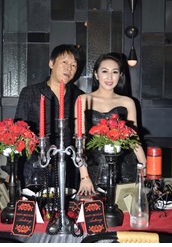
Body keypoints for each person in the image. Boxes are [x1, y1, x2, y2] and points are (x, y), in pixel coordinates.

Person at [15, 44, 85, 190]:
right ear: (51, 63)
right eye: (64, 62)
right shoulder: (30, 93)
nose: (69, 68)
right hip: (34, 166)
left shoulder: (78, 96)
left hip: (68, 166)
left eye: (73, 65)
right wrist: (14, 170)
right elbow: (18, 132)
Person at [77, 52, 147, 195]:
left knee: (127, 213)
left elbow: (134, 140)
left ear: (120, 75)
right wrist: (84, 176)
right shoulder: (83, 100)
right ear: (96, 74)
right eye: (104, 71)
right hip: (94, 169)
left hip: (125, 168)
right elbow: (79, 143)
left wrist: (145, 167)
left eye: (115, 72)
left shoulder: (128, 102)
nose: (109, 77)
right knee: (95, 214)